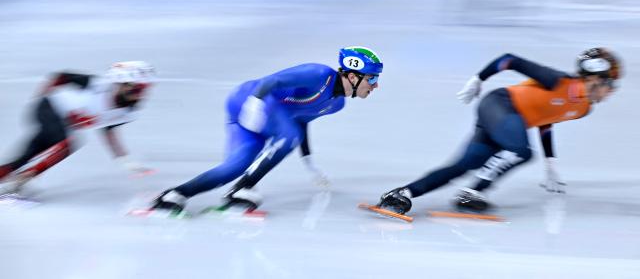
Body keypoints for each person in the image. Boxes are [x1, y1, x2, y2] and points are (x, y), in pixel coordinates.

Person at [377, 48, 621, 214]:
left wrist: (550, 161)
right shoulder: (559, 82)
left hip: (509, 122)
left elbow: (548, 119)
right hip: (500, 105)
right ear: (594, 79)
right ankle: (472, 191)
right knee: (521, 151)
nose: (611, 92)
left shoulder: (583, 108)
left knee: (464, 164)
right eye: (610, 85)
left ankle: (402, 193)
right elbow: (509, 60)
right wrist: (478, 79)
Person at [150, 46, 383, 214]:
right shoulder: (319, 74)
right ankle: (244, 188)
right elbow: (272, 81)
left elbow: (301, 122)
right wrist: (255, 102)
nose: (375, 85)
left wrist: (309, 161)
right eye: (372, 79)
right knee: (289, 135)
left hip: (266, 118)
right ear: (352, 76)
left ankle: (176, 194)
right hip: (249, 100)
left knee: (234, 167)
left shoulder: (336, 104)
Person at [0, 61, 155, 195]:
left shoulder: (128, 113)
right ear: (120, 84)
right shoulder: (98, 85)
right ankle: (24, 178)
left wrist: (122, 157)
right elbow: (62, 76)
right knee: (68, 143)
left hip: (61, 124)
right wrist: (41, 96)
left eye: (143, 90)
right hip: (48, 107)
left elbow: (108, 130)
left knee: (26, 155)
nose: (139, 96)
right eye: (135, 89)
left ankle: (16, 176)